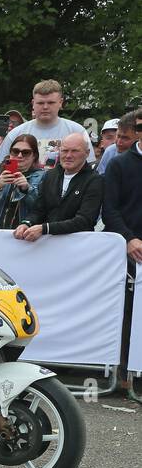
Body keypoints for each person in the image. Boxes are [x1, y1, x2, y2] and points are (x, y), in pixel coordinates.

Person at [102, 112, 142, 401]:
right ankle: (126, 374)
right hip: (130, 251)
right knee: (128, 315)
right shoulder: (119, 164)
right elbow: (110, 209)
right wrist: (129, 239)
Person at [0, 79, 95, 169]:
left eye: (50, 103)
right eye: (40, 103)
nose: (45, 107)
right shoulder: (16, 133)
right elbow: (1, 166)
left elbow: (89, 166)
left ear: (60, 103)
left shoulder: (77, 131)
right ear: (33, 104)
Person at [15, 132, 102, 240]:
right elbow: (39, 210)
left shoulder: (95, 180)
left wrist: (45, 228)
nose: (68, 155)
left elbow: (84, 220)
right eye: (64, 150)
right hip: (47, 245)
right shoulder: (50, 175)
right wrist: (27, 223)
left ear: (87, 153)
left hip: (78, 246)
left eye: (74, 151)